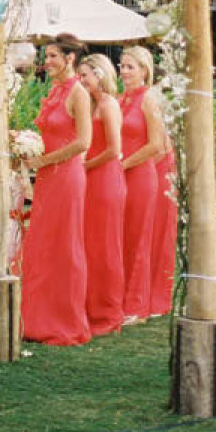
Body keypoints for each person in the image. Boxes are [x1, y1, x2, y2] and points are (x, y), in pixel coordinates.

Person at [20, 34, 92, 346]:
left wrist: (44, 160)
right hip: (48, 176)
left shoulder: (78, 93)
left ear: (69, 58)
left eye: (53, 56)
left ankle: (64, 320)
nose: (47, 61)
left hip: (66, 177)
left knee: (64, 246)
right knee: (41, 244)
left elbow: (83, 142)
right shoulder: (54, 90)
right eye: (46, 56)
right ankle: (35, 317)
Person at [79, 52, 126, 336]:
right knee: (91, 246)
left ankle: (109, 312)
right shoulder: (90, 104)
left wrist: (85, 166)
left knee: (106, 247)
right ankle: (90, 306)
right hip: (90, 179)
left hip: (105, 179)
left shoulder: (108, 105)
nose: (81, 80)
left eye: (85, 75)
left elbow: (114, 149)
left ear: (100, 75)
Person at [119, 45, 165, 324]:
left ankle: (136, 306)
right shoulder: (120, 99)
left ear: (144, 71)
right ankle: (118, 298)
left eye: (130, 67)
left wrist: (124, 164)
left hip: (139, 177)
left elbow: (157, 145)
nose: (124, 71)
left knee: (137, 239)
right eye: (122, 66)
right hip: (118, 176)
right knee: (120, 237)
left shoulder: (149, 100)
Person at [150, 96, 177, 318]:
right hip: (150, 170)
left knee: (159, 233)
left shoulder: (155, 110)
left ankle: (157, 295)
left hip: (160, 175)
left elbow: (161, 149)